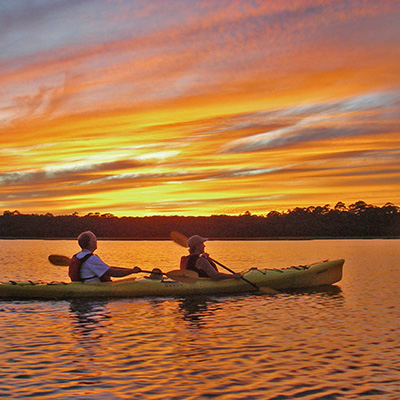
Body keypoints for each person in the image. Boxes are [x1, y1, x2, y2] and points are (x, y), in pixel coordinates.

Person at [73, 231, 141, 282]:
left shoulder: (78, 256)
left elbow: (109, 269)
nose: (96, 242)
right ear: (90, 243)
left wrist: (130, 270)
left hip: (85, 284)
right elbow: (113, 273)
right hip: (93, 287)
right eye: (95, 240)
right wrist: (132, 271)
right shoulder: (92, 258)